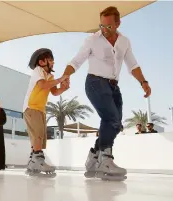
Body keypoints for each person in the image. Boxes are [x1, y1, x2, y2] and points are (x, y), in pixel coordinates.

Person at [62, 6, 151, 180]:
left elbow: (132, 65)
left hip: (113, 86)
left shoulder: (124, 41)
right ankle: (106, 159)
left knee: (116, 124)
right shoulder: (92, 40)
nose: (104, 30)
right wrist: (66, 75)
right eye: (102, 25)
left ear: (118, 23)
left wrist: (143, 82)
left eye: (109, 26)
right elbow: (76, 60)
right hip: (95, 82)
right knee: (110, 118)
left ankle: (94, 156)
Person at [23, 48, 69, 176]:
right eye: (50, 59)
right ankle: (38, 160)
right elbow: (43, 85)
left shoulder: (50, 76)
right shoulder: (38, 71)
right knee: (37, 135)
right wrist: (60, 80)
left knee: (39, 137)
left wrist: (63, 88)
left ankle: (33, 162)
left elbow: (54, 92)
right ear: (42, 62)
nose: (53, 62)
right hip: (31, 107)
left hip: (40, 109)